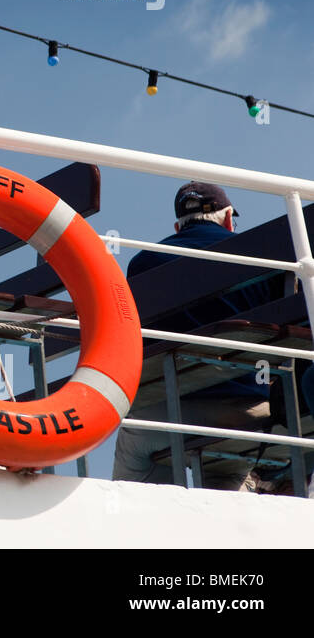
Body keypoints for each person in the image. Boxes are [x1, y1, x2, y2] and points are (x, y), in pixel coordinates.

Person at [112, 182, 278, 491]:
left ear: (178, 227)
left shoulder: (143, 263)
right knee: (228, 469)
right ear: (229, 219)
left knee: (136, 447)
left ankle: (139, 527)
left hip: (162, 414)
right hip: (243, 413)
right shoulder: (260, 254)